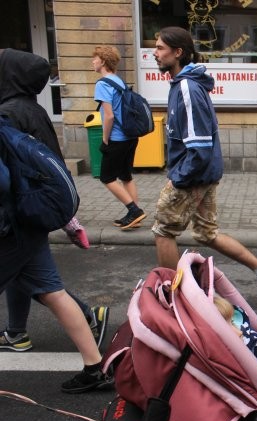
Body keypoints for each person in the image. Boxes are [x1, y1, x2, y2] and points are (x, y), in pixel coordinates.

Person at [0, 48, 111, 393]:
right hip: (32, 219)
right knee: (51, 291)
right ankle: (94, 367)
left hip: (13, 222)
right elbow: (54, 166)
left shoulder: (7, 113)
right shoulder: (35, 110)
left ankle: (18, 333)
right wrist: (68, 219)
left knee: (47, 289)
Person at [151, 26, 257, 308]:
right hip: (203, 174)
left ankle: (175, 299)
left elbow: (199, 147)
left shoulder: (186, 87)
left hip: (192, 175)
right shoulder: (184, 84)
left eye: (160, 48)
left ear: (178, 52)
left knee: (163, 231)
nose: (155, 53)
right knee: (206, 233)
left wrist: (178, 178)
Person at [92, 45, 146, 230]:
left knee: (106, 177)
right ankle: (135, 217)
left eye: (95, 58)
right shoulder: (118, 81)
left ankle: (134, 211)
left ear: (103, 61)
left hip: (116, 138)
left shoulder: (102, 84)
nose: (93, 61)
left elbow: (109, 116)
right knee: (125, 176)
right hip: (130, 136)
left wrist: (105, 139)